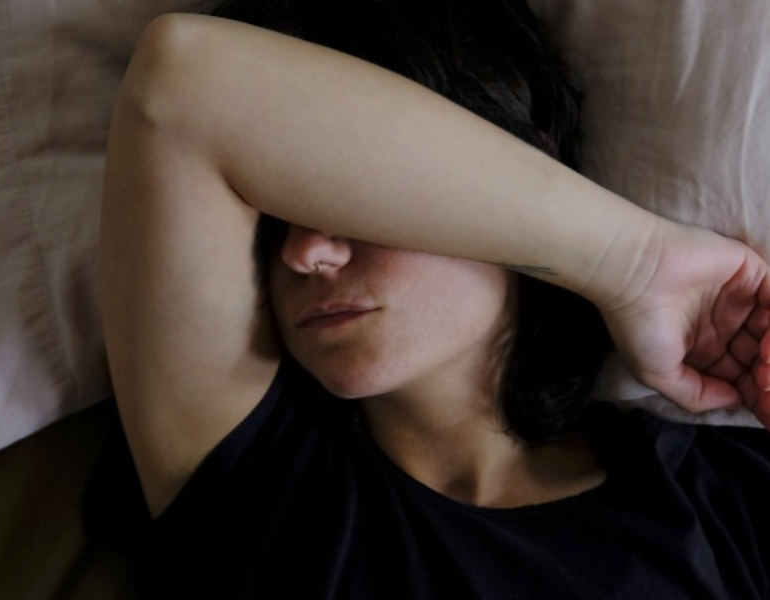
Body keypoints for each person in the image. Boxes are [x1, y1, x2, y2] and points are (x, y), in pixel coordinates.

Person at [84, 0, 770, 598]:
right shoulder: (255, 487)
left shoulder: (721, 501)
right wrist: (635, 264)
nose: (305, 252)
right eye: (274, 218)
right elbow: (183, 83)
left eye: (353, 201)